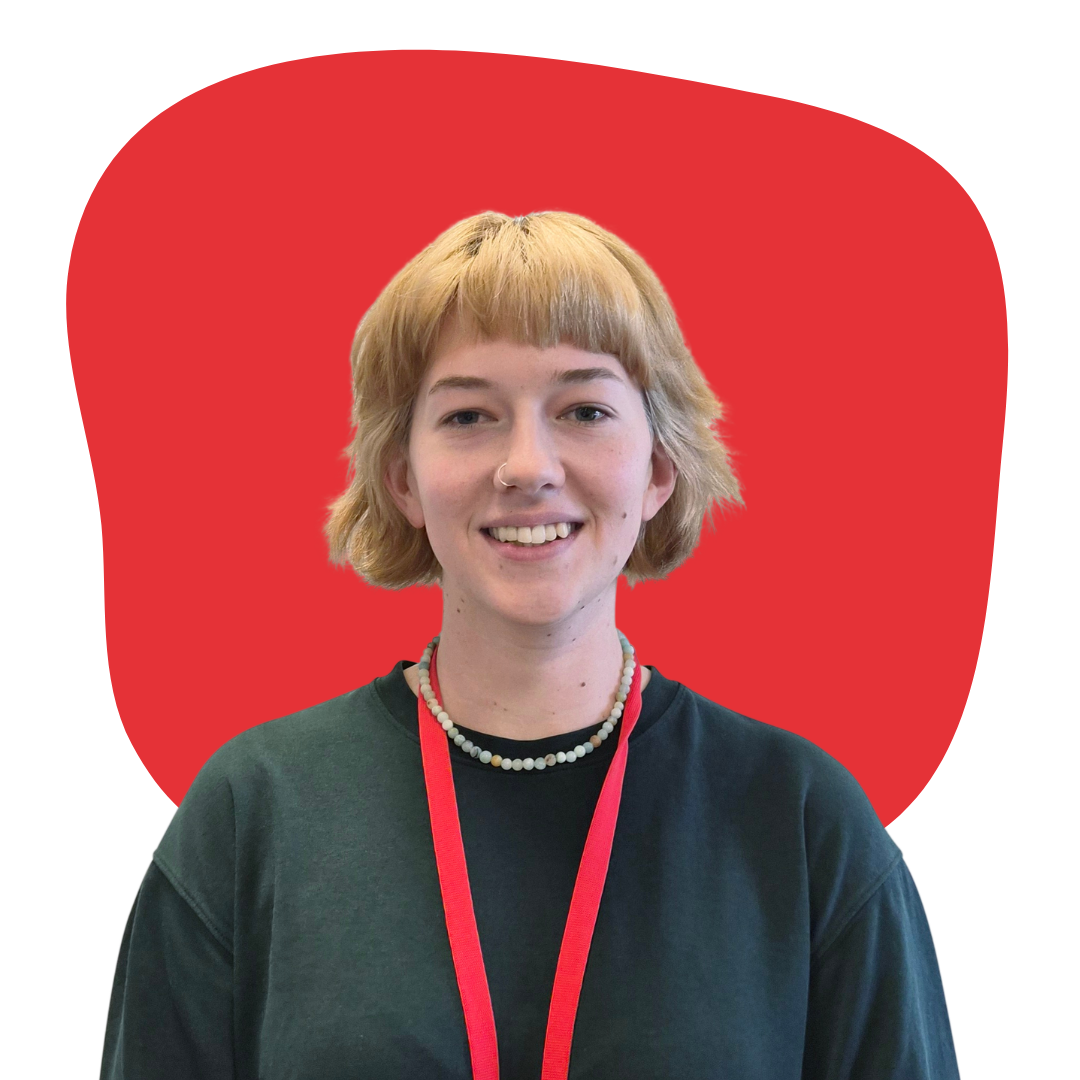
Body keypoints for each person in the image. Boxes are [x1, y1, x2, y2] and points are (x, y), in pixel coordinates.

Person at [100, 211, 960, 1079]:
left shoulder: (801, 820)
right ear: (403, 478)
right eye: (470, 416)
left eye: (583, 409)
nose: (527, 465)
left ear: (659, 468)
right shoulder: (256, 812)